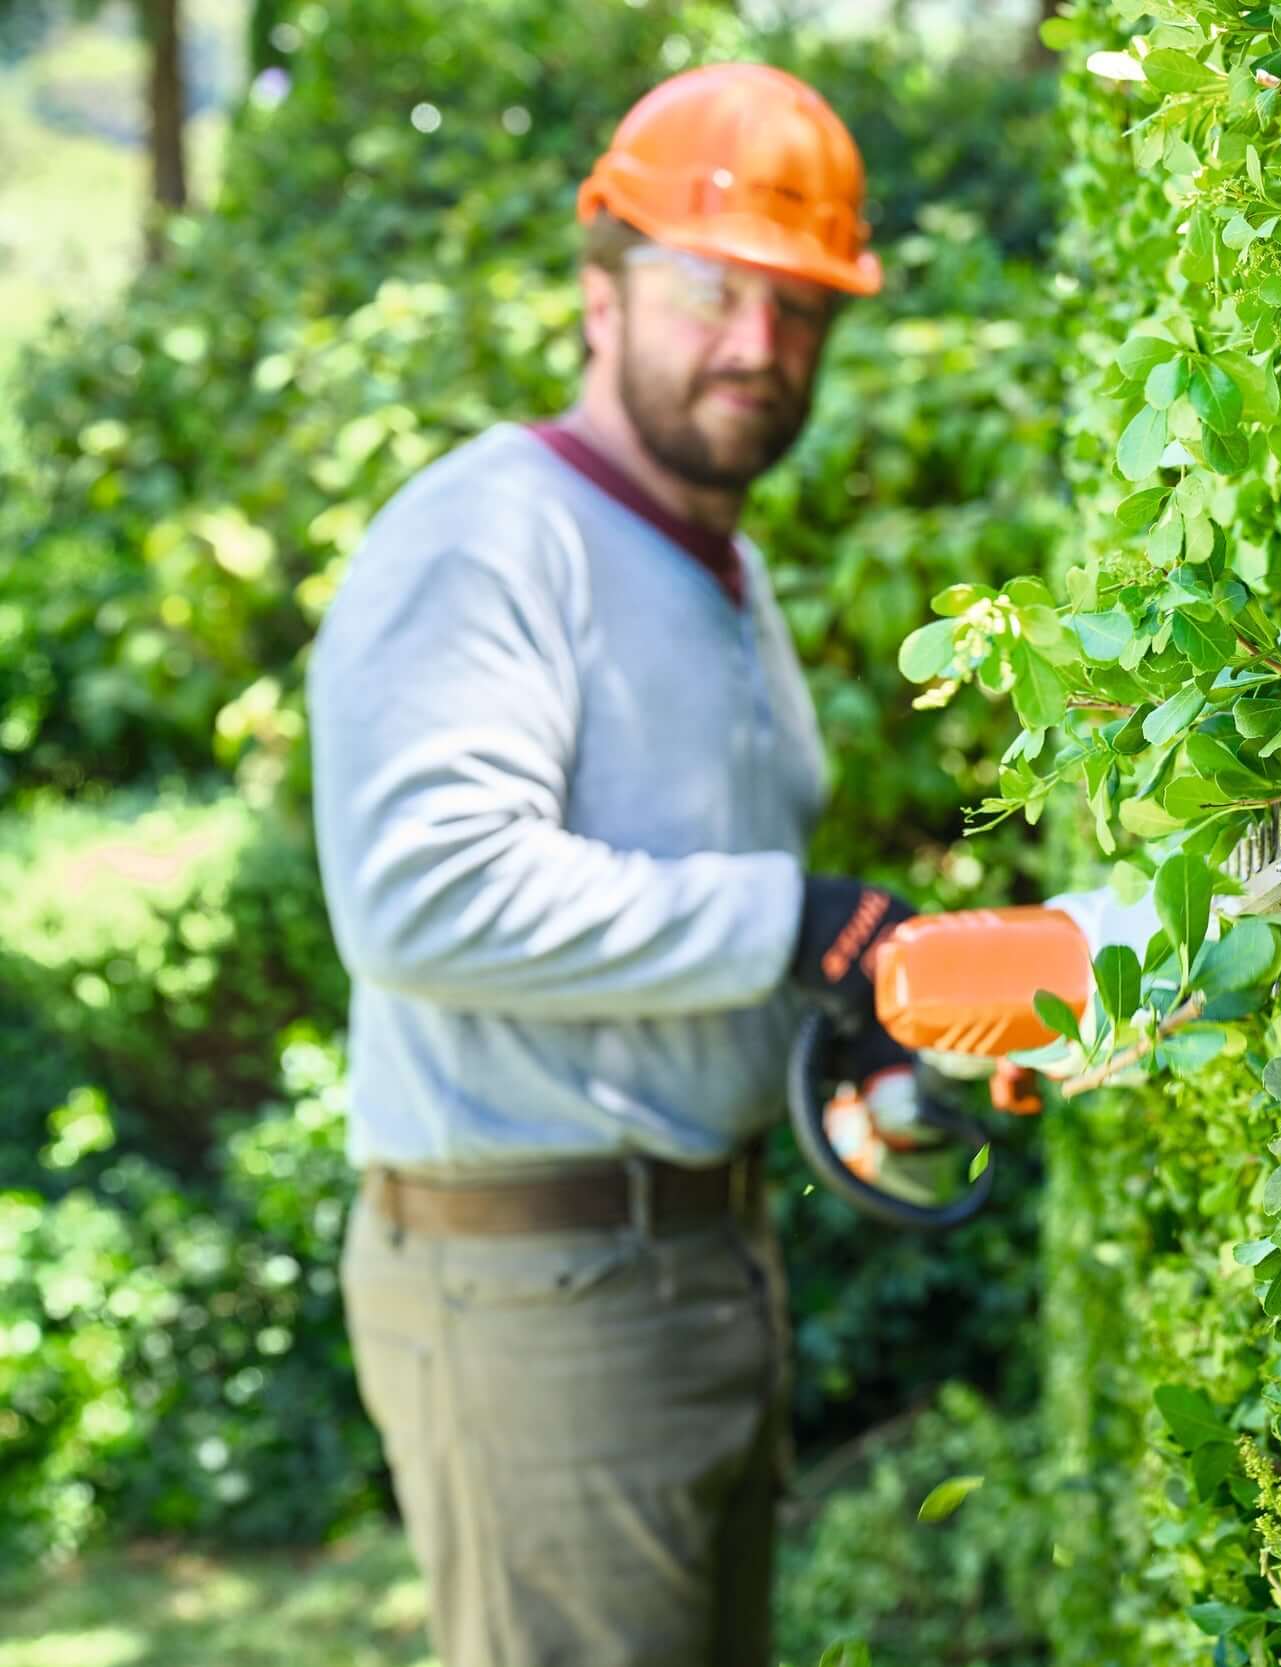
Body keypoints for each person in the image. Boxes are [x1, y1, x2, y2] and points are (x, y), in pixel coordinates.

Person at [305, 61, 921, 1667]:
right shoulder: (492, 535)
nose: (756, 347)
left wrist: (846, 1018)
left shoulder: (720, 564)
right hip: (541, 1292)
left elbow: (677, 919)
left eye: (799, 312)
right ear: (602, 294)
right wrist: (795, 925)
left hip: (698, 1267)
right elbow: (421, 896)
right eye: (712, 290)